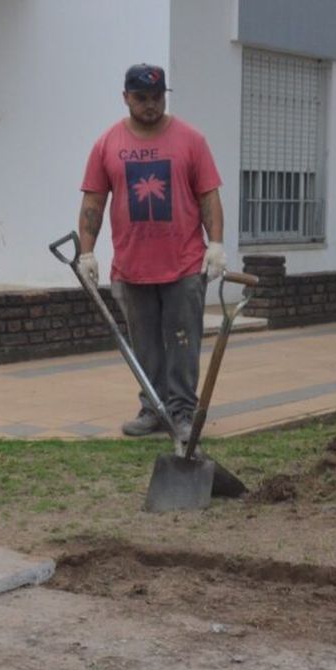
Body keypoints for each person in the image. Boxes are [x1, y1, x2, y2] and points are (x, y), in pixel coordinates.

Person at [77, 63, 226, 437]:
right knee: (144, 345)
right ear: (125, 97)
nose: (150, 105)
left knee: (182, 341)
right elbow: (93, 202)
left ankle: (181, 411)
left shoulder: (191, 140)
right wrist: (87, 252)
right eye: (141, 98)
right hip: (131, 266)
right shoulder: (107, 143)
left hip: (184, 264)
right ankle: (153, 408)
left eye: (156, 97)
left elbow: (209, 195)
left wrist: (217, 245)